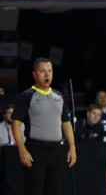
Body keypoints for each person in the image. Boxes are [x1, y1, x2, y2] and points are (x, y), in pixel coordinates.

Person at [11, 58, 77, 195]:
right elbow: (16, 125)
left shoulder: (59, 96)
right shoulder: (26, 96)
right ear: (35, 74)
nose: (47, 75)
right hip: (35, 149)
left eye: (49, 71)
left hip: (56, 149)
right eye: (43, 71)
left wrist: (72, 147)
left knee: (54, 189)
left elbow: (66, 123)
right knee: (34, 190)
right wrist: (22, 149)